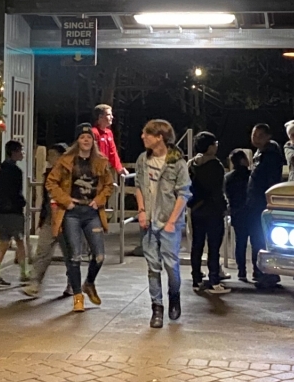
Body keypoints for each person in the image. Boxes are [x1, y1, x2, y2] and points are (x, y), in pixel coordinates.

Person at [46, 124, 114, 312]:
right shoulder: (66, 161)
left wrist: (99, 200)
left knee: (99, 255)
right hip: (72, 212)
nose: (86, 141)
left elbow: (109, 185)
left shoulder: (100, 161)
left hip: (91, 212)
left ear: (93, 141)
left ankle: (89, 283)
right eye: (83, 137)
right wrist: (65, 201)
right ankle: (77, 296)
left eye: (89, 138)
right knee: (75, 255)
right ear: (77, 140)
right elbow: (51, 182)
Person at [135, 119, 191, 328]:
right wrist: (141, 211)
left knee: (171, 265)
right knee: (152, 266)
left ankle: (174, 296)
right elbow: (139, 185)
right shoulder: (143, 159)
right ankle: (156, 307)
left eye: (147, 134)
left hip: (169, 222)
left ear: (159, 137)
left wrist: (172, 221)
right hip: (149, 220)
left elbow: (183, 194)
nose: (143, 137)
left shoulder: (177, 162)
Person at [23, 143, 75, 298]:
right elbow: (46, 200)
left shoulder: (72, 174)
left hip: (67, 220)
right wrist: (42, 218)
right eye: (49, 156)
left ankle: (72, 284)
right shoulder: (48, 174)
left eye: (53, 155)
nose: (50, 159)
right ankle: (34, 283)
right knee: (42, 251)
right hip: (50, 219)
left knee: (70, 254)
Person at [187, 131, 230, 294]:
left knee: (196, 245)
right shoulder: (215, 165)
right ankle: (214, 282)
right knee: (213, 247)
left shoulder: (192, 164)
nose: (217, 146)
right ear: (210, 147)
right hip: (212, 210)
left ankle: (196, 279)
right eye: (215, 143)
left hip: (196, 210)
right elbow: (217, 191)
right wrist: (224, 207)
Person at [0, 140, 29, 287]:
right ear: (15, 152)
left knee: (3, 242)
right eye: (20, 151)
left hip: (0, 211)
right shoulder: (16, 172)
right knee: (20, 242)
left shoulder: (1, 170)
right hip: (14, 212)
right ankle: (25, 273)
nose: (22, 153)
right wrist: (21, 203)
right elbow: (16, 192)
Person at [247, 123, 284, 289]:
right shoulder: (260, 153)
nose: (255, 138)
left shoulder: (270, 155)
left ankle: (267, 272)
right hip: (256, 203)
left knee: (262, 239)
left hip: (263, 204)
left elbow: (269, 181)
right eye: (254, 135)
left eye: (259, 135)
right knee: (258, 239)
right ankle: (261, 271)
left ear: (268, 136)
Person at [225, 148, 253, 282]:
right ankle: (257, 271)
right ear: (242, 160)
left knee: (240, 243)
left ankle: (242, 271)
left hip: (237, 213)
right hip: (250, 212)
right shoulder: (251, 176)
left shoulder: (228, 178)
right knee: (256, 242)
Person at [91, 104, 124, 175]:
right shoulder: (93, 132)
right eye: (109, 115)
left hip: (105, 170)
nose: (112, 117)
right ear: (100, 117)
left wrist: (120, 169)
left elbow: (113, 152)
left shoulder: (109, 133)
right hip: (95, 170)